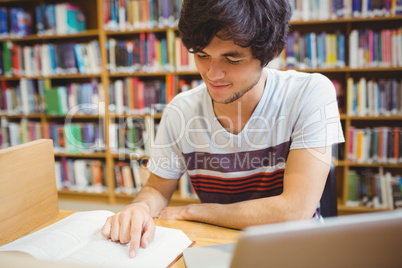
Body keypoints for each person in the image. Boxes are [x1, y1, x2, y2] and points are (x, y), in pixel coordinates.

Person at [101, 0, 345, 258]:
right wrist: (139, 208)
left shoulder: (310, 93)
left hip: (298, 250)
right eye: (202, 56)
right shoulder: (181, 110)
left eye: (232, 59)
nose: (212, 74)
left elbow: (294, 212)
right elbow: (157, 189)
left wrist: (192, 211)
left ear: (271, 52)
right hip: (219, 244)